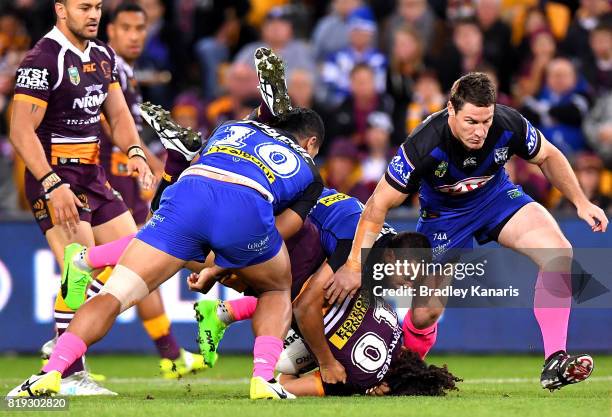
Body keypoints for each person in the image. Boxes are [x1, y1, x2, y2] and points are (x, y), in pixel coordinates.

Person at [9, 48, 325, 400]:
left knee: (115, 292)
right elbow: (282, 229)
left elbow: (183, 200)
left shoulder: (232, 128)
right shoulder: (310, 171)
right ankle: (263, 379)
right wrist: (225, 265)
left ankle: (51, 373)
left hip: (191, 188)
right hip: (244, 205)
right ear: (309, 143)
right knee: (275, 287)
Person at [328, 72, 607, 390]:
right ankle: (398, 374)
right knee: (424, 316)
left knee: (559, 252)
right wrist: (353, 265)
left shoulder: (507, 123)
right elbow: (377, 205)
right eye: (471, 122)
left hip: (497, 199)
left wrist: (580, 202)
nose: (480, 131)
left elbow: (548, 155)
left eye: (486, 121)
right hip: (444, 218)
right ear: (451, 110)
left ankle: (555, 360)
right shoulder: (423, 144)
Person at [8, 0, 154, 395]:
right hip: (54, 176)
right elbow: (21, 131)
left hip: (92, 174)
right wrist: (52, 184)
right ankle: (69, 372)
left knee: (138, 254)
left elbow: (120, 116)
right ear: (61, 9)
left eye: (98, 7)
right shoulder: (43, 59)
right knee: (80, 268)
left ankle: (61, 341)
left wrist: (136, 152)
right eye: (84, 7)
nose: (93, 15)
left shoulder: (103, 56)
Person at [97, 2, 206, 379]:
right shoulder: (106, 66)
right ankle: (62, 345)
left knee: (132, 265)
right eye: (125, 28)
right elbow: (107, 121)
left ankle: (170, 353)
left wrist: (150, 163)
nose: (134, 36)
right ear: (109, 31)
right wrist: (139, 158)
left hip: (123, 175)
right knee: (127, 264)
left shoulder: (124, 71)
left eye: (140, 29)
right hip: (107, 178)